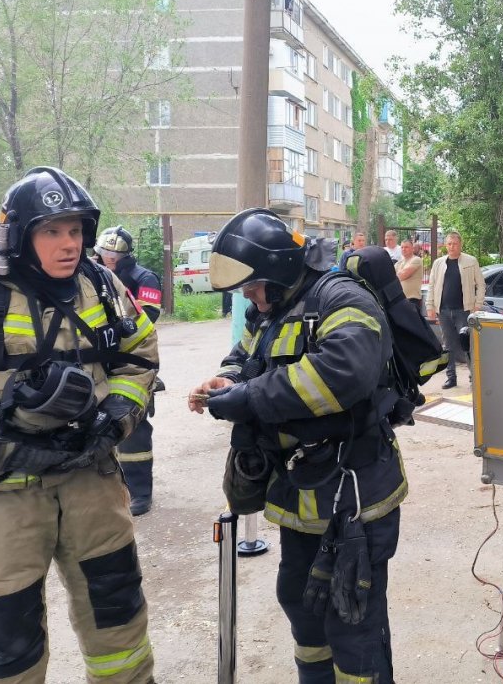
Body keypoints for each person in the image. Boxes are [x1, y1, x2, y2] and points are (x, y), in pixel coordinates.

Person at [0, 166, 158, 683]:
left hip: (89, 485)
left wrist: (117, 417)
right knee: (9, 653)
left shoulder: (101, 284)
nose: (68, 243)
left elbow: (139, 353)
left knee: (119, 626)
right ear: (18, 234)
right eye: (52, 230)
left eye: (75, 230)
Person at [187, 208, 405, 684]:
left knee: (353, 620)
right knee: (301, 604)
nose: (247, 295)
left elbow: (342, 374)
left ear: (280, 269)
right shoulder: (270, 308)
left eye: (252, 284)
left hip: (354, 497)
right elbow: (247, 357)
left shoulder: (341, 298)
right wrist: (229, 379)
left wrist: (247, 399)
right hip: (300, 491)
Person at [95, 226, 164, 516]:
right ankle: (115, 488)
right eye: (101, 253)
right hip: (101, 362)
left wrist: (112, 325)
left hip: (133, 360)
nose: (102, 258)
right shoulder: (91, 275)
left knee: (135, 429)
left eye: (107, 254)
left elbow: (148, 314)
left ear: (117, 256)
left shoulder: (143, 277)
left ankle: (140, 493)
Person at [426, 231, 485, 389]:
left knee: (468, 344)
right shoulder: (439, 263)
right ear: (446, 245)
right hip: (443, 311)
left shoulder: (470, 261)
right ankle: (451, 378)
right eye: (449, 244)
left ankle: (474, 378)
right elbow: (432, 285)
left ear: (460, 245)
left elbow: (481, 284)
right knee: (448, 346)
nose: (452, 246)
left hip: (464, 310)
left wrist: (478, 304)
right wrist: (430, 306)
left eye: (455, 244)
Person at [395, 237, 425, 314]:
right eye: (402, 247)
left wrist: (397, 275)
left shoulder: (416, 260)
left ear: (412, 249)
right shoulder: (398, 263)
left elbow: (403, 275)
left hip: (412, 300)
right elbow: (390, 277)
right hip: (399, 300)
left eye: (406, 247)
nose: (403, 249)